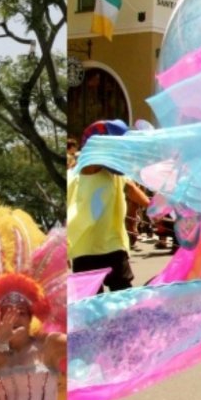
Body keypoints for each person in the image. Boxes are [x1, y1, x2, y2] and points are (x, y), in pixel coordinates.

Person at [67, 120, 150, 291]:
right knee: (89, 302)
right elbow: (92, 163)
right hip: (85, 248)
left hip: (113, 245)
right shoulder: (86, 169)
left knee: (123, 292)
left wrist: (154, 208)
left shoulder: (115, 173)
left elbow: (131, 189)